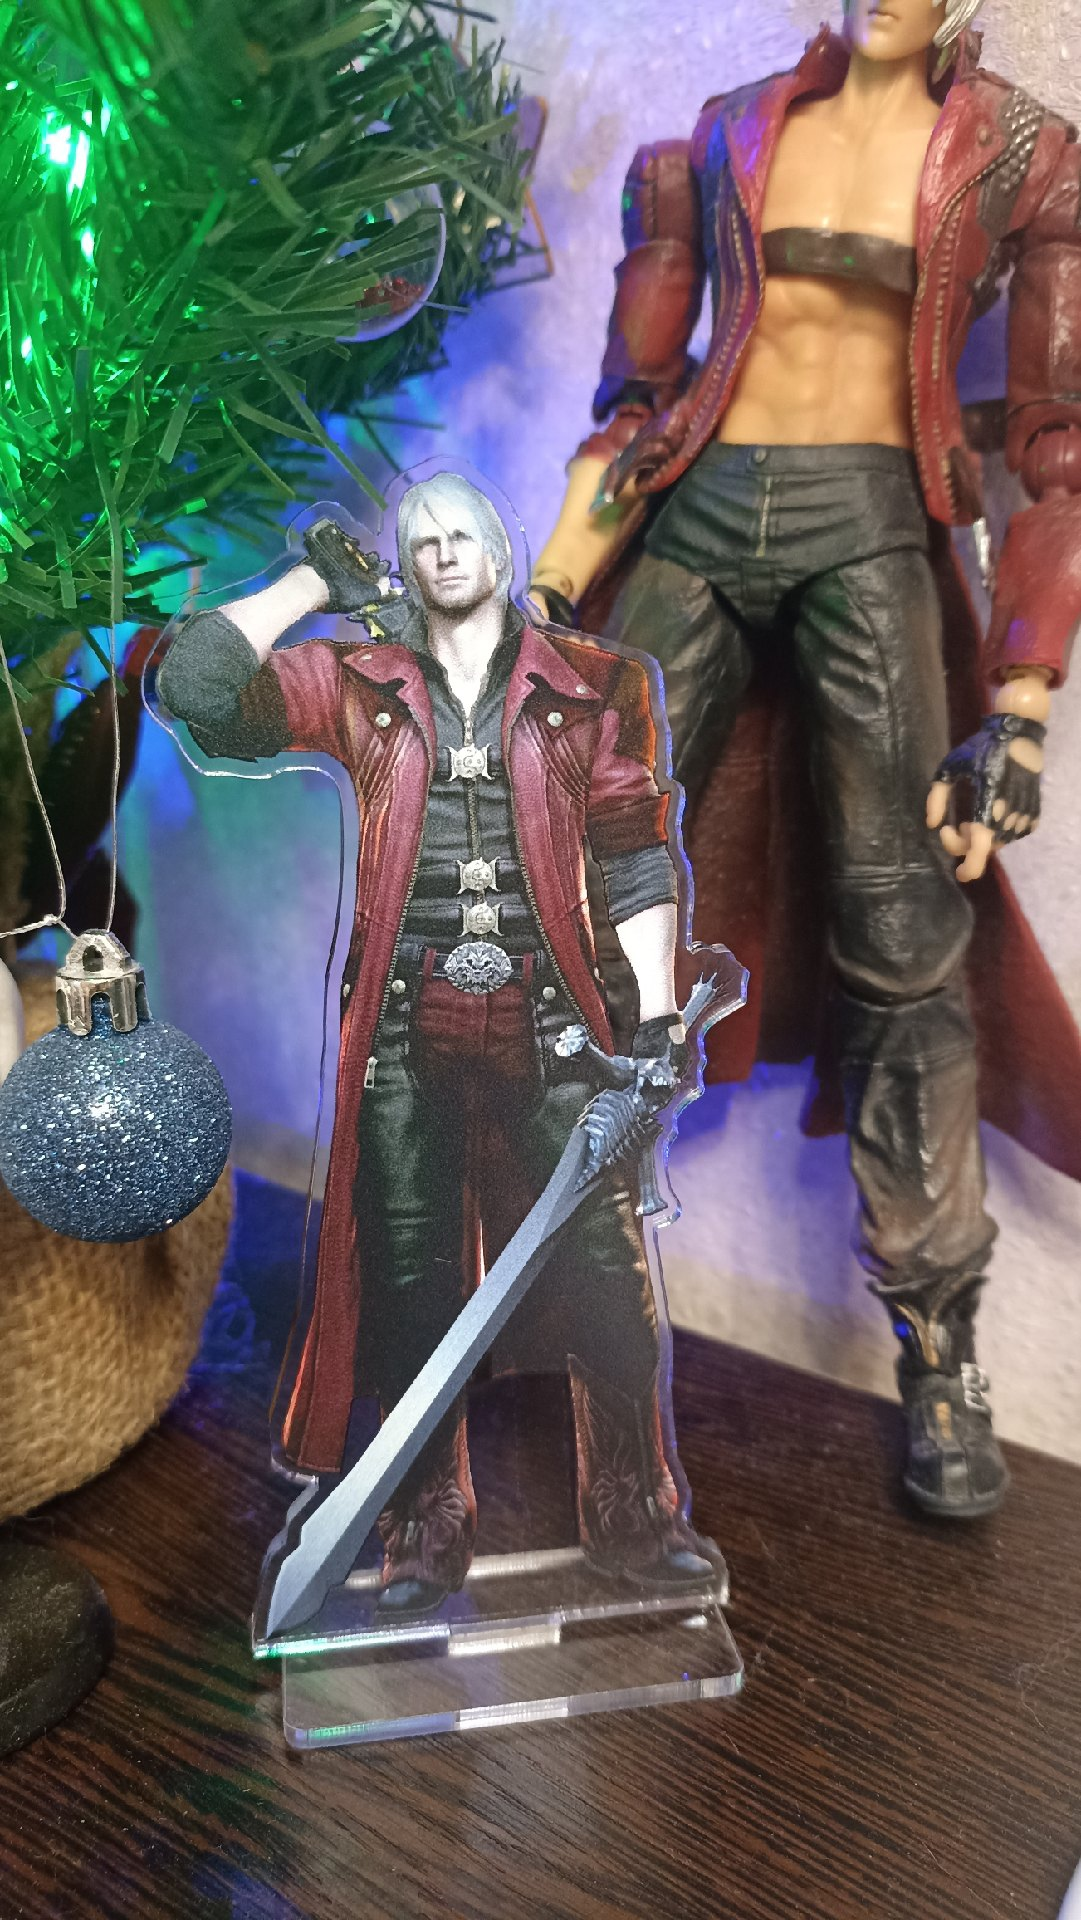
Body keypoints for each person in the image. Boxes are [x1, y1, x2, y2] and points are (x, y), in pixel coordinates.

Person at [530, 0, 1081, 1520]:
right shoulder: (727, 132)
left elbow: (1059, 446)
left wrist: (1019, 706)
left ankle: (938, 1344)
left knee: (903, 928)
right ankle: (519, 1269)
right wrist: (551, 591)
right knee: (568, 880)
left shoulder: (1024, 156)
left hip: (868, 523)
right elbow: (639, 406)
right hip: (701, 516)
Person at [159, 472, 716, 1615]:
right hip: (405, 1031)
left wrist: (657, 1017)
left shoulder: (593, 685)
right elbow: (198, 686)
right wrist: (309, 583)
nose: (446, 553)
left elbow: (632, 851)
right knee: (410, 1287)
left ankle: (631, 1508)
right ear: (405, 564)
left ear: (502, 553)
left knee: (606, 1281)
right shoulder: (356, 682)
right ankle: (424, 1520)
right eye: (424, 540)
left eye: (465, 535)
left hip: (557, 1029)